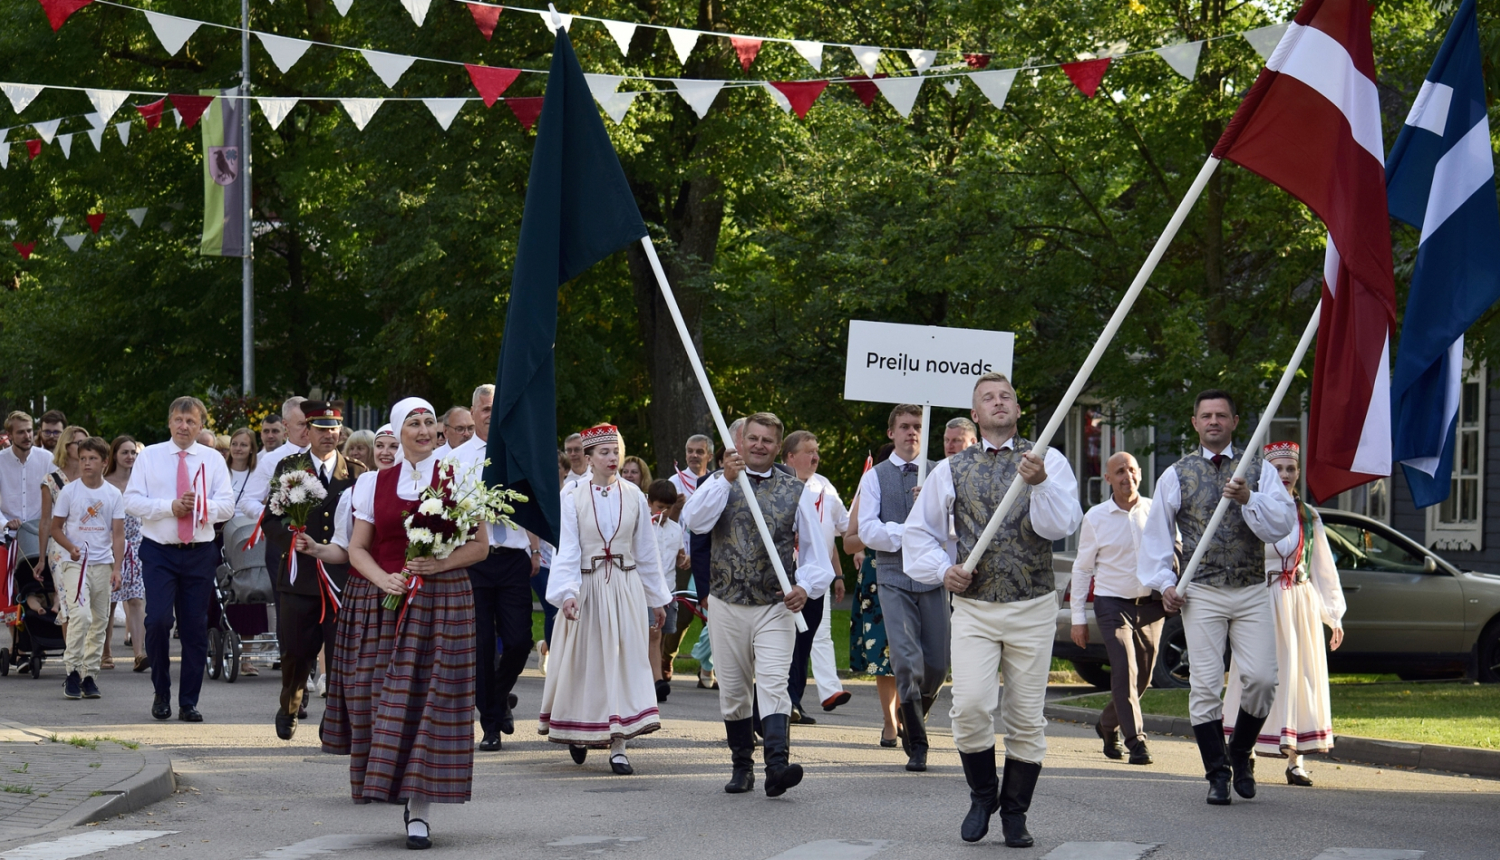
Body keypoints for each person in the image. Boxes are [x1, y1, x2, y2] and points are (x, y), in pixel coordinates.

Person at [904, 373, 1082, 846]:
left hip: (1032, 605)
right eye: (988, 398)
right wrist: (943, 570)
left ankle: (1015, 813)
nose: (998, 402)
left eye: (1006, 396)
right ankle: (983, 794)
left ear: (1018, 410)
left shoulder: (1046, 460)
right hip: (975, 607)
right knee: (969, 707)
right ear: (975, 414)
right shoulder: (951, 468)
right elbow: (918, 534)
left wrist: (1040, 484)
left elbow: (1062, 525)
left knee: (1025, 717)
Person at [322, 397, 486, 849]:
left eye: (430, 422)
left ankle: (420, 807)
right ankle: (390, 779)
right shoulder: (372, 483)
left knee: (433, 701)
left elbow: (480, 547)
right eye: (414, 423)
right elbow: (357, 548)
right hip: (386, 600)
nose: (424, 430)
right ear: (397, 432)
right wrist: (384, 579)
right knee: (375, 697)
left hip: (443, 599)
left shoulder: (459, 476)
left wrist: (440, 563)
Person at [1137, 389, 1296, 806]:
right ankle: (1217, 773)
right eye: (1206, 415)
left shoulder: (1258, 470)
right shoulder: (1177, 474)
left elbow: (1282, 524)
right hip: (1202, 592)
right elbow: (1156, 538)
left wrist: (1249, 498)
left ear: (1234, 422)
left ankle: (1240, 751)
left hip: (1250, 588)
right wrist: (1165, 584)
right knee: (1205, 685)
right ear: (1195, 423)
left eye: (1221, 415)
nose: (1213, 421)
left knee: (1262, 679)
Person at [681, 412, 835, 798]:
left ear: (778, 447)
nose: (759, 445)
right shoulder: (718, 483)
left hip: (774, 605)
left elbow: (817, 553)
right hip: (726, 602)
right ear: (741, 441)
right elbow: (694, 521)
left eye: (767, 440)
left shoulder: (796, 490)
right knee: (734, 689)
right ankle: (741, 765)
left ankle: (777, 767)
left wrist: (805, 587)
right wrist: (726, 480)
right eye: (753, 438)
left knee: (773, 682)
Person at [541, 424, 671, 774]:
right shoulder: (572, 496)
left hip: (625, 587)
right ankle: (579, 729)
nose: (613, 458)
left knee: (624, 661)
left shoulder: (634, 495)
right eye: (604, 452)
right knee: (587, 662)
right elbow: (567, 548)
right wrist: (567, 593)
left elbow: (646, 550)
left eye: (616, 451)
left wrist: (656, 598)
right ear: (589, 458)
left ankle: (619, 745)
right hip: (588, 586)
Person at [1224, 441, 1346, 787]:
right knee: (1253, 675)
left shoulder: (1307, 515)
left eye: (1291, 468)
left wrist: (1333, 614)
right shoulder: (1251, 508)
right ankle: (1245, 748)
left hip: (1298, 602)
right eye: (1277, 469)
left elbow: (1322, 567)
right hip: (1260, 599)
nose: (1285, 475)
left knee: (1298, 675)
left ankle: (1296, 759)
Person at [124, 396, 236, 722]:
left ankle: (188, 701)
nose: (184, 426)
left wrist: (200, 505)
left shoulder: (213, 459)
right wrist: (169, 507)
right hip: (159, 550)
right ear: (169, 422)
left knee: (194, 628)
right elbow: (131, 501)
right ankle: (161, 691)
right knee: (158, 621)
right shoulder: (150, 456)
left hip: (199, 552)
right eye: (178, 420)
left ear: (201, 426)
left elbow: (227, 506)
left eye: (191, 421)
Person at [262, 402, 366, 740]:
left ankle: (333, 718)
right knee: (295, 651)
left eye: (334, 428)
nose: (329, 435)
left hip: (340, 578)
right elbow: (271, 519)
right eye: (321, 429)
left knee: (339, 653)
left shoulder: (357, 473)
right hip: (299, 576)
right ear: (307, 431)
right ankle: (290, 705)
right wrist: (292, 538)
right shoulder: (290, 467)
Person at [450, 383, 542, 753]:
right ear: (473, 414)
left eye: (495, 408)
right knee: (482, 647)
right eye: (485, 409)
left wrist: (536, 549)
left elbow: (531, 505)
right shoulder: (456, 459)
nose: (490, 414)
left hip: (513, 558)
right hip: (474, 560)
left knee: (519, 641)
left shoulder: (518, 453)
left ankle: (497, 698)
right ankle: (490, 724)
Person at [858, 404, 947, 771]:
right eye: (905, 426)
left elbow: (952, 527)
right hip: (893, 576)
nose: (912, 432)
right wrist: (909, 532)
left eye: (918, 426)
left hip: (933, 576)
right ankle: (919, 743)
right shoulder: (875, 477)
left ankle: (912, 716)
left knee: (938, 664)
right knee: (906, 660)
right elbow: (868, 530)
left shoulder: (939, 472)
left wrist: (932, 513)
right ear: (891, 433)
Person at [1070, 451, 1161, 765]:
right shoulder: (1096, 517)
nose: (1128, 477)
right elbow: (1083, 569)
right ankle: (1136, 742)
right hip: (1112, 604)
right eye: (1120, 472)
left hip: (1151, 606)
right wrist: (1078, 618)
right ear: (1108, 478)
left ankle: (1107, 723)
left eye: (1132, 470)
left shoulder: (1156, 511)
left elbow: (1175, 551)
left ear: (1140, 473)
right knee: (1124, 670)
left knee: (1143, 677)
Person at [782, 430, 850, 720]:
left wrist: (839, 574)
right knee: (785, 642)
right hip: (785, 576)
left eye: (816, 451)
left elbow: (839, 530)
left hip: (816, 579)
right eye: (808, 451)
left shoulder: (825, 487)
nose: (815, 456)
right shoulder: (779, 485)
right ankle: (781, 703)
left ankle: (795, 701)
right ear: (790, 457)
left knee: (808, 640)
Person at [51, 437, 126, 700]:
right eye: (83, 458)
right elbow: (55, 528)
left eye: (92, 458)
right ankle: (72, 671)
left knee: (99, 621)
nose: (86, 463)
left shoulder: (113, 494)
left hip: (102, 563)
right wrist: (70, 547)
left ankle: (90, 675)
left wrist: (117, 568)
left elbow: (118, 535)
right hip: (75, 564)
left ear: (105, 462)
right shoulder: (69, 491)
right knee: (81, 616)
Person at [842, 459, 900, 747]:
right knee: (883, 654)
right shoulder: (869, 490)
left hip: (917, 575)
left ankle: (906, 713)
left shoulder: (924, 487)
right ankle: (890, 721)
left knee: (913, 654)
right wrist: (876, 536)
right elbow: (849, 543)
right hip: (877, 579)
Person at [661, 434, 711, 682]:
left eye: (699, 451)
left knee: (712, 613)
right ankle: (665, 658)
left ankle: (708, 666)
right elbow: (663, 522)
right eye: (690, 451)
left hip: (709, 556)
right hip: (681, 556)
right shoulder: (675, 482)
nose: (694, 455)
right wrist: (677, 508)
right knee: (682, 612)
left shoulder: (716, 481)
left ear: (708, 455)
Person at [0, 412, 61, 592]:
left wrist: (48, 525)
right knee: (7, 591)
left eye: (29, 431)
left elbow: (59, 497)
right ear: (9, 435)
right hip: (7, 536)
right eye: (21, 432)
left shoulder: (48, 459)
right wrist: (4, 523)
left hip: (40, 536)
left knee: (43, 588)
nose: (27, 436)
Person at [103, 436, 147, 674]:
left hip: (137, 546)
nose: (130, 456)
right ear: (114, 455)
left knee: (136, 600)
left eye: (133, 452)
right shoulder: (104, 483)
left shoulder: (141, 482)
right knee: (108, 602)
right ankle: (105, 652)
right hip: (108, 547)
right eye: (125, 452)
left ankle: (139, 654)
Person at [39, 426, 90, 617]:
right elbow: (46, 520)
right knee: (68, 602)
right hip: (61, 547)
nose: (85, 447)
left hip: (91, 544)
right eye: (80, 443)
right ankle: (69, 638)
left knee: (89, 604)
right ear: (66, 446)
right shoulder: (51, 480)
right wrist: (42, 558)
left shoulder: (93, 477)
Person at [645, 480, 686, 702]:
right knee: (653, 633)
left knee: (661, 636)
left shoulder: (675, 529)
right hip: (647, 591)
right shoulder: (642, 526)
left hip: (668, 590)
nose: (664, 512)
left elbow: (679, 554)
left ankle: (654, 675)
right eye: (659, 507)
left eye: (668, 508)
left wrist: (684, 560)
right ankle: (655, 681)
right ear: (649, 503)